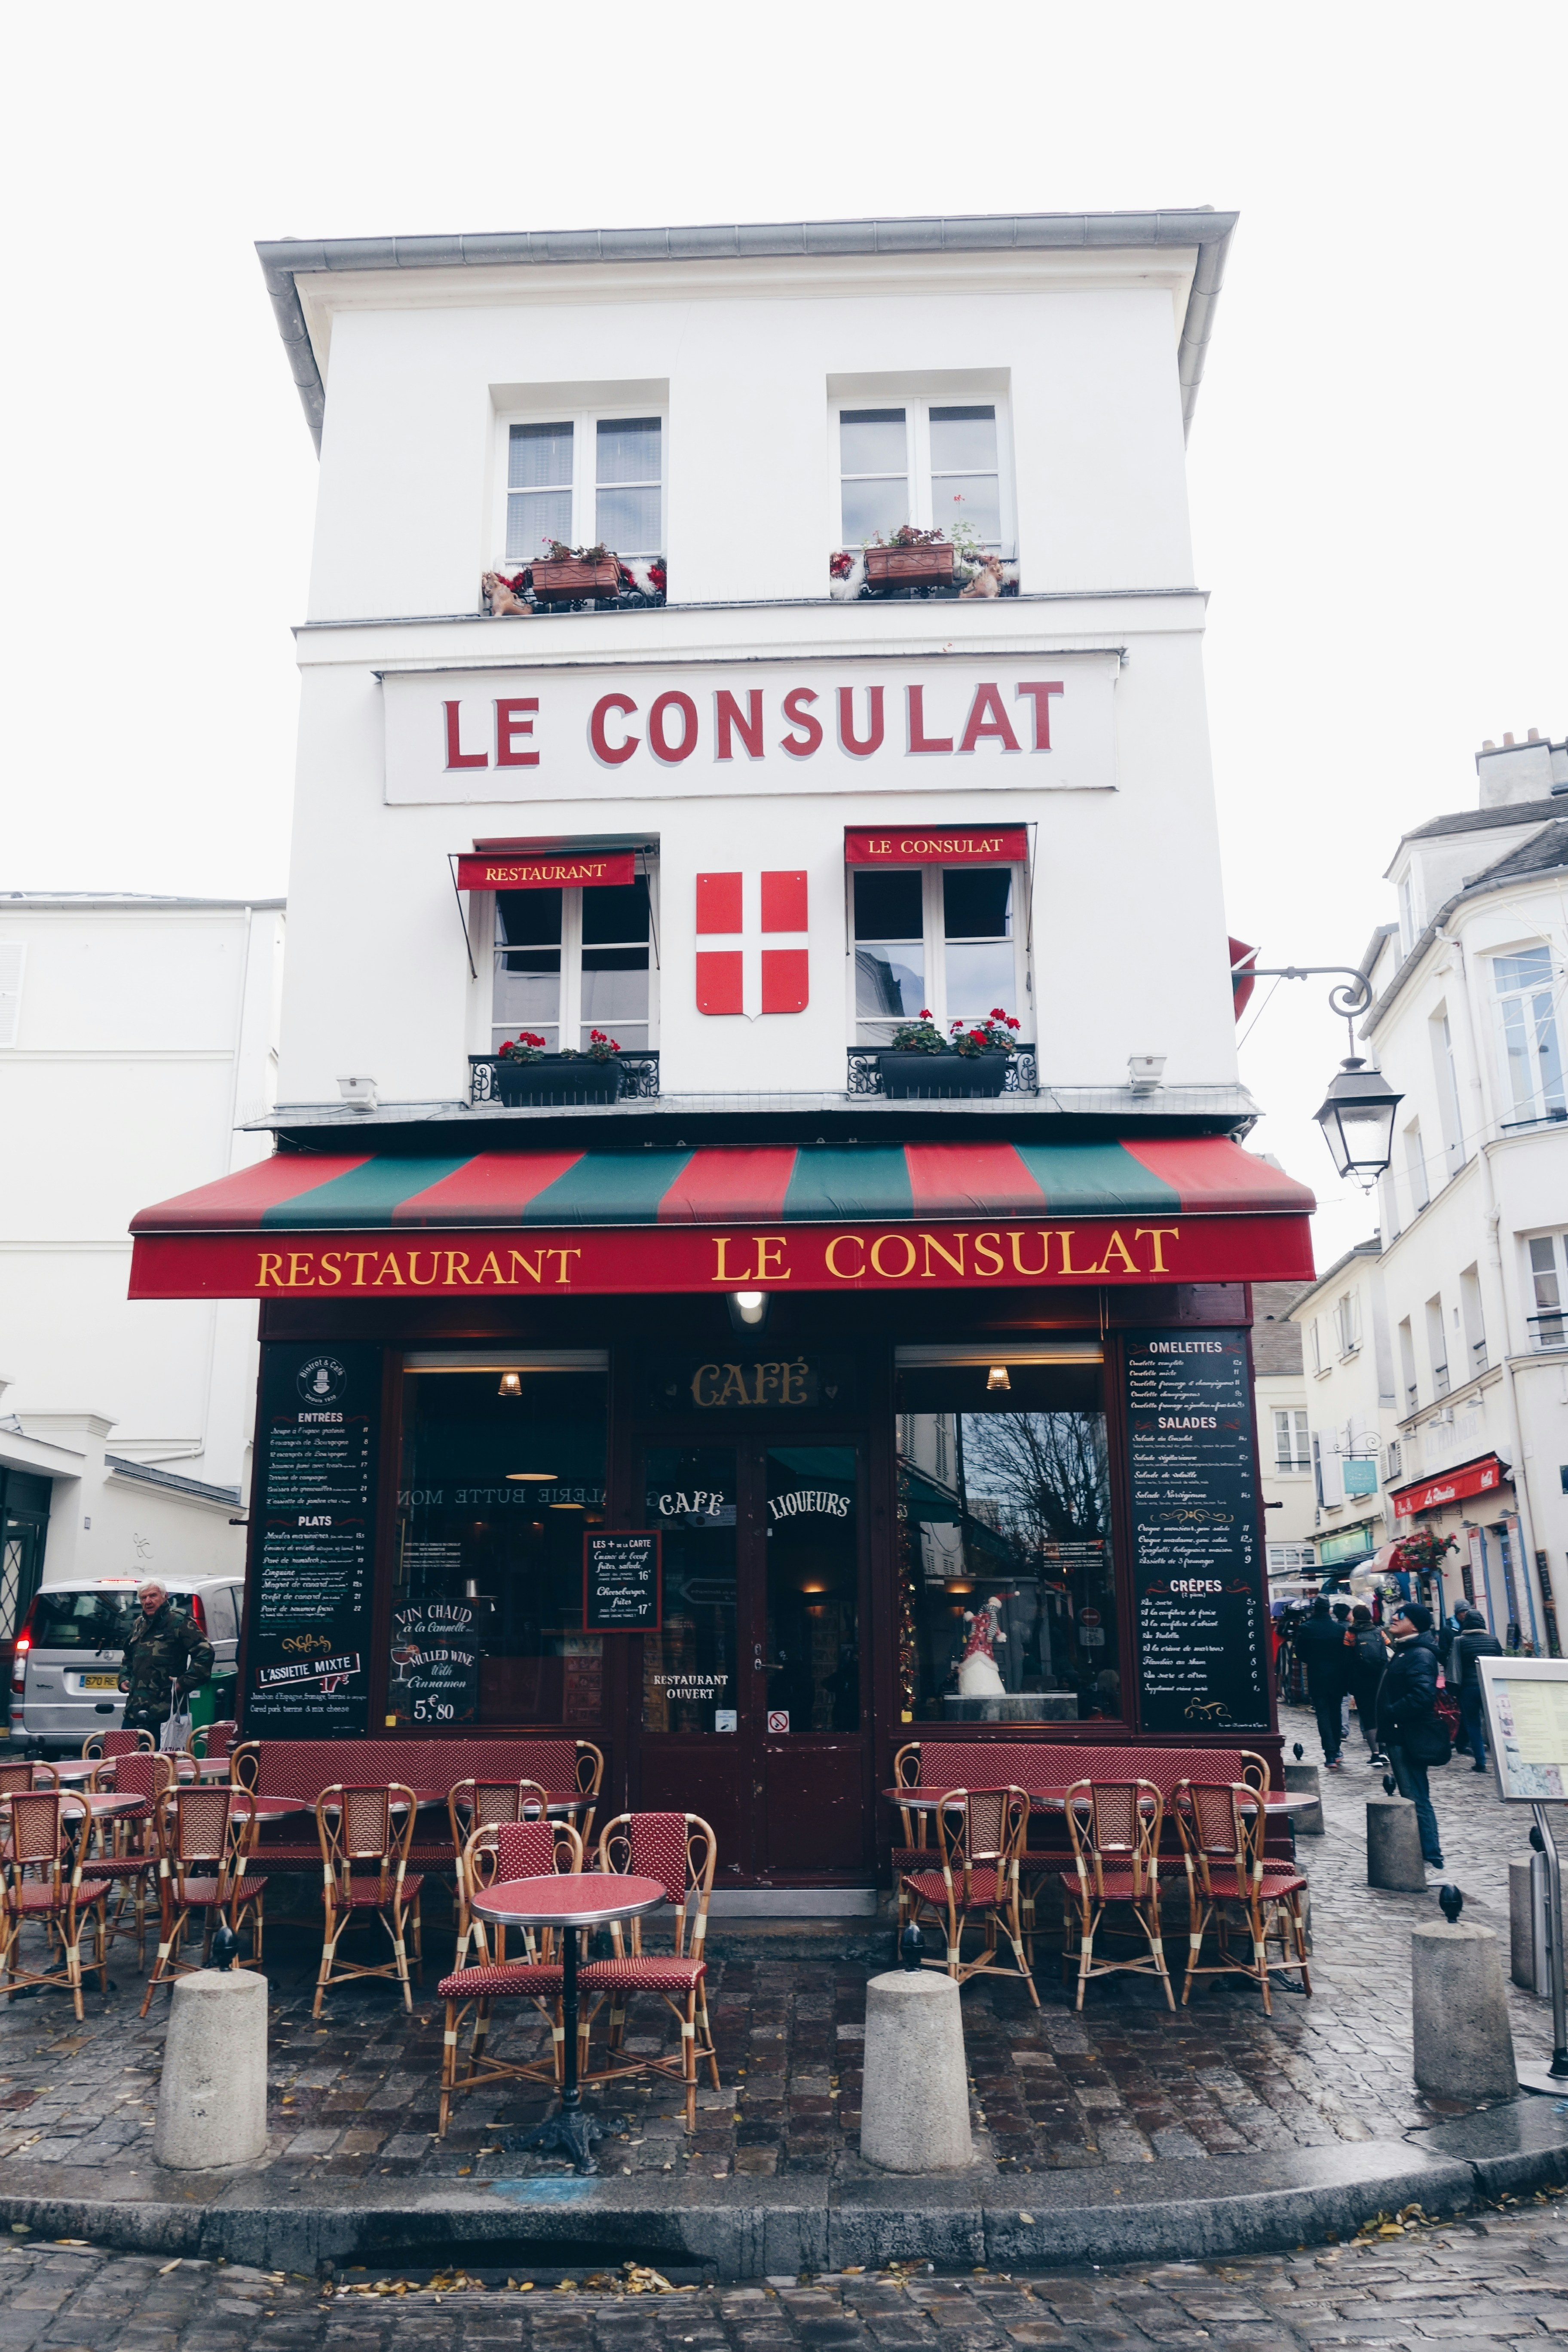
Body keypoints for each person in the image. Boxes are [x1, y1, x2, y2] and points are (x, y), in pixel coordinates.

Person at [1376, 1601, 1446, 1869]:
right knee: (1412, 1793)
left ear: (1414, 1624)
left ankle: (1430, 1857)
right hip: (1399, 1733)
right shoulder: (1407, 1651)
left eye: (1400, 1615)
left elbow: (1422, 1695)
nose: (1393, 1617)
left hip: (1407, 1735)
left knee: (1416, 1795)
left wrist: (1392, 1712)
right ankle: (1424, 1852)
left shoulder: (1420, 1654)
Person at [118, 1579, 213, 1743]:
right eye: (144, 1598)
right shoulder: (139, 1624)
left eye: (153, 1596)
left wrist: (185, 1683)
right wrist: (124, 1678)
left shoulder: (178, 1621)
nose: (148, 1601)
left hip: (166, 1711)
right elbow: (128, 1656)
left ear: (165, 1596)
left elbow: (205, 1652)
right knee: (129, 1763)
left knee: (162, 1766)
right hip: (135, 1710)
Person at [1294, 1594, 1350, 1770]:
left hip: (1317, 1675)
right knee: (1335, 1713)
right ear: (1329, 1610)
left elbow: (1301, 1654)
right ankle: (1336, 1749)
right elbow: (1345, 1654)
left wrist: (1314, 1661)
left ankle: (1330, 1753)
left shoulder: (1306, 1628)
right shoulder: (1339, 1630)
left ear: (1315, 1608)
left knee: (1323, 1715)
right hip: (1337, 1677)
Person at [1449, 1607, 1504, 1773]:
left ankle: (1480, 1761)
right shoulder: (1493, 1640)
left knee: (1473, 1724)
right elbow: (1500, 1664)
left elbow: (1454, 1666)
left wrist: (1454, 1689)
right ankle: (1502, 1762)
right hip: (1489, 1686)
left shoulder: (1459, 1641)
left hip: (1469, 1688)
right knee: (1495, 1723)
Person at [1345, 1605, 1387, 1758]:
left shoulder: (1350, 1634)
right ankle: (1384, 1751)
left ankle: (1375, 1753)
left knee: (1367, 1715)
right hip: (1380, 1679)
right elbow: (1388, 1649)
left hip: (1361, 1680)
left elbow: (1347, 1658)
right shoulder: (1379, 1632)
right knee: (1381, 1713)